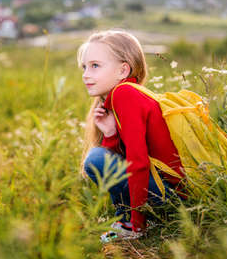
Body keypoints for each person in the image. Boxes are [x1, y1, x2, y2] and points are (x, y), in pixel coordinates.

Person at [77, 29, 187, 242]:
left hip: (173, 198)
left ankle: (132, 223)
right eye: (84, 67)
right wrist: (110, 134)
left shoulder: (124, 94)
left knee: (96, 159)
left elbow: (138, 164)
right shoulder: (128, 95)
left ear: (122, 70)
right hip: (169, 192)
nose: (85, 74)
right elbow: (128, 157)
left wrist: (138, 224)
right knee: (100, 156)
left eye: (95, 66)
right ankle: (132, 219)